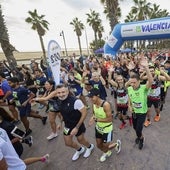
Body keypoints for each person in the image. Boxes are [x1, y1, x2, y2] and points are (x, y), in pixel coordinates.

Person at [43, 84, 94, 161]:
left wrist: (77, 127)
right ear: (56, 93)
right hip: (67, 125)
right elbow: (63, 113)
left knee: (80, 140)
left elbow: (84, 113)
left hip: (78, 125)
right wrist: (60, 122)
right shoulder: (59, 101)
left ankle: (90, 147)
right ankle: (80, 150)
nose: (61, 94)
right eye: (59, 92)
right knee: (68, 143)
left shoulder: (76, 101)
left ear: (67, 91)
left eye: (63, 92)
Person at [88, 88, 121, 162]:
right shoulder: (93, 103)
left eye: (92, 97)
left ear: (98, 95)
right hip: (98, 128)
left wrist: (96, 119)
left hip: (107, 129)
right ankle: (107, 152)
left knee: (105, 146)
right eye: (89, 97)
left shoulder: (105, 105)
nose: (90, 99)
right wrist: (92, 118)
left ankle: (116, 145)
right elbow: (94, 114)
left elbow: (110, 119)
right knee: (99, 145)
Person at [127, 57, 153, 150]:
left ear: (139, 81)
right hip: (134, 112)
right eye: (131, 83)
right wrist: (129, 105)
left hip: (142, 112)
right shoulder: (129, 88)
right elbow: (130, 97)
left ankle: (141, 139)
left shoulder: (143, 88)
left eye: (134, 82)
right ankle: (139, 136)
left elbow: (151, 81)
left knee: (138, 129)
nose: (132, 84)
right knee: (134, 127)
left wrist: (146, 67)